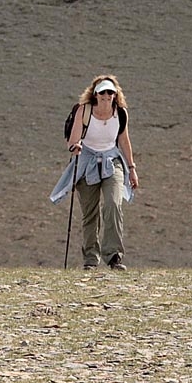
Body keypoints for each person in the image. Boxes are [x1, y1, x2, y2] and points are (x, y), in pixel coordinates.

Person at [50, 75, 139, 270]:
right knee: (90, 213)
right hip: (87, 162)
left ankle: (114, 256)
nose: (106, 96)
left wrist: (131, 169)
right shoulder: (84, 111)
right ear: (95, 94)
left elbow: (124, 140)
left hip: (112, 161)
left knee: (113, 204)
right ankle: (90, 259)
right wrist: (75, 147)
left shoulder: (121, 113)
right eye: (103, 92)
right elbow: (72, 140)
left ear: (115, 95)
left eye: (110, 92)